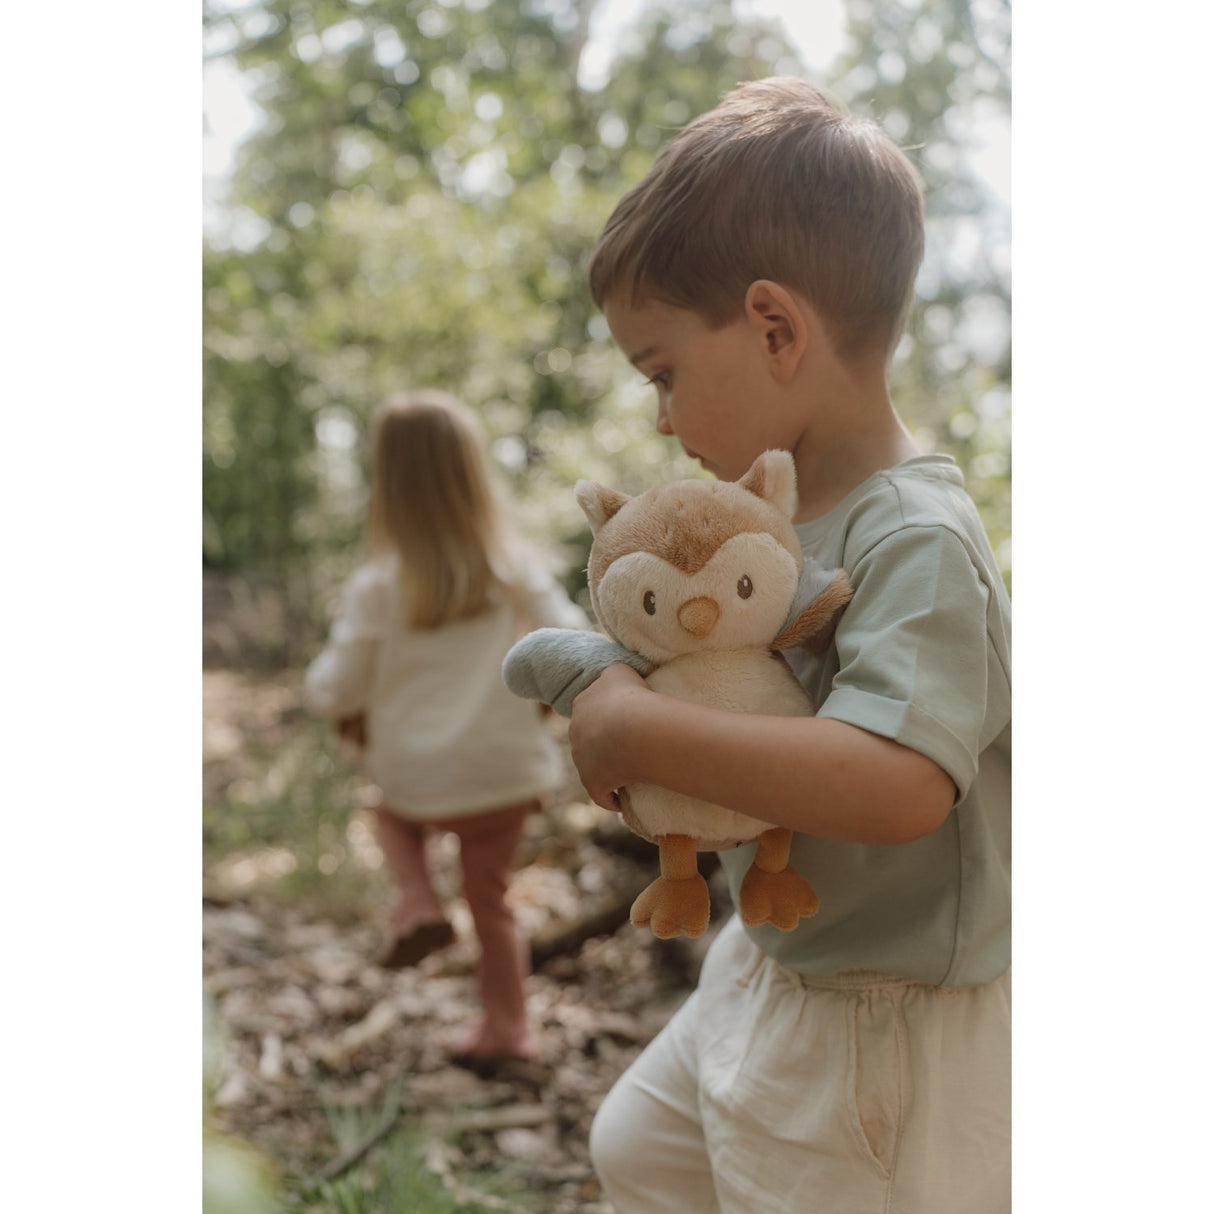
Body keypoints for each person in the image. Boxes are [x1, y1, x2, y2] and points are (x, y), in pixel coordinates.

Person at [569, 78, 1011, 1213]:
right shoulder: (768, 526)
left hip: (889, 1016)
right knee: (640, 1150)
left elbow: (898, 781)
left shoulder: (909, 534)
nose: (659, 419)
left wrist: (637, 725)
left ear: (773, 326)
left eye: (662, 371)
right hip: (775, 958)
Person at [304, 389, 588, 1064]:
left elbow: (330, 690)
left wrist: (338, 647)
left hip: (416, 779)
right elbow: (573, 638)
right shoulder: (513, 570)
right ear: (473, 475)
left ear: (389, 485)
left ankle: (418, 902)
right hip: (503, 769)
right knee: (491, 903)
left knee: (390, 820)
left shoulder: (377, 585)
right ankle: (509, 1028)